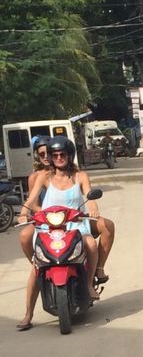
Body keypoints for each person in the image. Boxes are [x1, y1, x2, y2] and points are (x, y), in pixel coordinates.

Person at [17, 137, 114, 330]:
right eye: (55, 155)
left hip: (75, 225)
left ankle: (87, 284)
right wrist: (23, 212)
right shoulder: (44, 176)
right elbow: (32, 198)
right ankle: (28, 314)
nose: (59, 158)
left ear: (70, 156)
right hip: (49, 227)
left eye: (63, 154)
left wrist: (93, 207)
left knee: (91, 244)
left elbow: (89, 195)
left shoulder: (80, 175)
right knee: (36, 265)